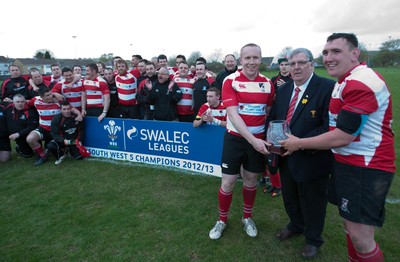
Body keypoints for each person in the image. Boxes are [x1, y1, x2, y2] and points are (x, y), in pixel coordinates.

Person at [280, 33, 395, 262]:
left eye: (336, 52)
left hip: (365, 167)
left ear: (355, 53)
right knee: (352, 231)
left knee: (362, 238)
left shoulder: (361, 82)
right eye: (326, 52)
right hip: (346, 164)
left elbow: (343, 136)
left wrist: (298, 143)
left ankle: (313, 238)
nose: (329, 58)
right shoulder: (345, 82)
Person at [267, 48, 335, 259]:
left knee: (313, 201)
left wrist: (300, 143)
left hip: (313, 157)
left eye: (301, 63)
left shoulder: (327, 88)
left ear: (311, 64)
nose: (296, 67)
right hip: (286, 157)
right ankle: (296, 225)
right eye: (292, 63)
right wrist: (271, 136)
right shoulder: (285, 89)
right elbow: (276, 117)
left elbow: (330, 127)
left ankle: (313, 239)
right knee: (290, 197)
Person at [208, 43, 274, 240]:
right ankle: (222, 220)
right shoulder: (230, 80)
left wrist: (258, 139)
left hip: (258, 141)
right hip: (235, 140)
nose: (251, 62)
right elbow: (233, 116)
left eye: (255, 58)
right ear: (240, 60)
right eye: (247, 58)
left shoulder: (268, 83)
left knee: (251, 180)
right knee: (227, 182)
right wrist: (253, 140)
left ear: (260, 59)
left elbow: (267, 112)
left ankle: (247, 217)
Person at [26, 86, 65, 165]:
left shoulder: (58, 100)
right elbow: (27, 103)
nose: (50, 96)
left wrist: (55, 94)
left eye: (50, 94)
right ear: (41, 97)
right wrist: (12, 101)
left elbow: (67, 105)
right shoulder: (36, 100)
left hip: (56, 130)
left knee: (53, 147)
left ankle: (59, 151)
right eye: (47, 95)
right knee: (30, 139)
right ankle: (43, 155)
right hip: (43, 128)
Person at [4, 94, 39, 158]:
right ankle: (19, 146)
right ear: (13, 102)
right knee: (27, 155)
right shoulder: (7, 108)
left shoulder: (30, 111)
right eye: (18, 102)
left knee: (32, 154)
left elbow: (32, 126)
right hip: (18, 138)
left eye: (22, 101)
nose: (20, 104)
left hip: (27, 135)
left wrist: (18, 134)